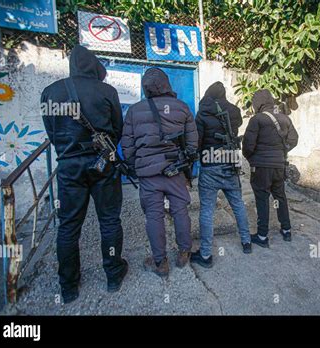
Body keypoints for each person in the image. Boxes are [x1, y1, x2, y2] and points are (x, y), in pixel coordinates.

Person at [41, 45, 128, 304]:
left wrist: (69, 149)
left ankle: (68, 286)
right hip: (103, 163)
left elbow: (51, 131)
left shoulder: (51, 92)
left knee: (68, 226)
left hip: (69, 166)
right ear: (94, 65)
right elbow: (117, 128)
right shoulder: (107, 91)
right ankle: (113, 275)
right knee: (110, 220)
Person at [121, 67, 197, 277]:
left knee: (154, 217)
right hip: (175, 172)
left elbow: (127, 145)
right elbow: (192, 144)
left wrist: (138, 165)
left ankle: (160, 263)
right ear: (166, 84)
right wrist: (184, 161)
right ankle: (184, 254)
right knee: (180, 211)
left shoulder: (135, 111)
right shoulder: (181, 108)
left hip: (149, 176)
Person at [190, 82, 252, 269]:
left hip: (210, 166)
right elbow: (238, 125)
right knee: (238, 204)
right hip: (230, 163)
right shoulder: (234, 110)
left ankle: (206, 255)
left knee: (207, 210)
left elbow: (197, 141)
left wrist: (194, 160)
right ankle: (246, 242)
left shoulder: (202, 113)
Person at [242, 89, 299, 247]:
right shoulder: (285, 119)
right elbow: (294, 140)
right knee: (279, 197)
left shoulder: (257, 120)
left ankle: (262, 236)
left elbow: (247, 145)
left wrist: (252, 158)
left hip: (261, 167)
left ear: (257, 103)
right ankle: (286, 230)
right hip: (279, 165)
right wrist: (281, 152)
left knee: (262, 198)